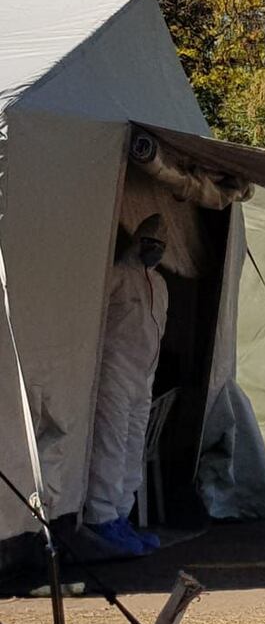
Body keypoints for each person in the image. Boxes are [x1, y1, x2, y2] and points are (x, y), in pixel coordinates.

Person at [84, 214, 169, 556]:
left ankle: (122, 515)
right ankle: (101, 517)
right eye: (149, 243)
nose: (154, 250)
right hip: (114, 372)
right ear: (136, 242)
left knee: (133, 447)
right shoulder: (116, 276)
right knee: (111, 444)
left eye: (160, 246)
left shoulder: (160, 285)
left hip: (143, 377)